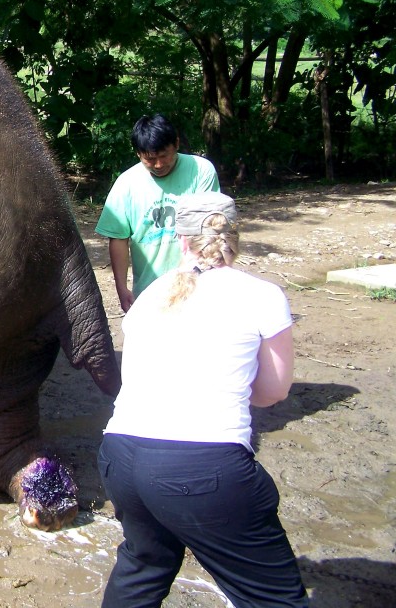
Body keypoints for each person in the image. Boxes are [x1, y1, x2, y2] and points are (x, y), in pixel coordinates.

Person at [98, 191, 308, 607]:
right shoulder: (263, 295)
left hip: (120, 458)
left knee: (143, 568)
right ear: (235, 236)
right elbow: (273, 392)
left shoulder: (150, 295)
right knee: (274, 598)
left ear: (181, 239)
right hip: (203, 468)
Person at [95, 114, 219, 313]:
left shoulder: (201, 171)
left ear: (176, 144)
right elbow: (118, 239)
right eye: (150, 159)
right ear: (138, 154)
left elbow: (206, 230)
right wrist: (121, 288)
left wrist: (185, 279)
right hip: (148, 291)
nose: (159, 165)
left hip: (195, 283)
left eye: (164, 155)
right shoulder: (126, 185)